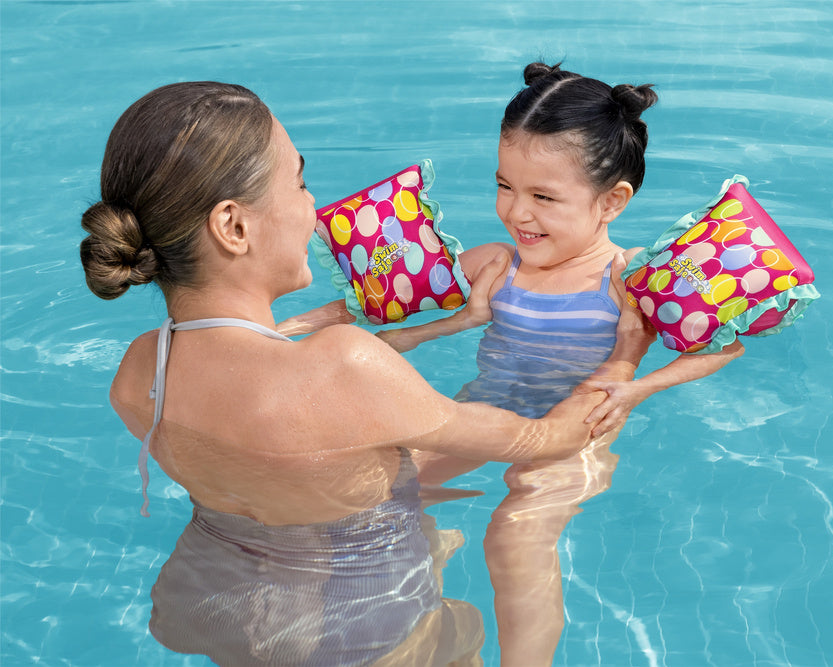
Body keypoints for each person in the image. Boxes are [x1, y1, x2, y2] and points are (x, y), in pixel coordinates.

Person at [78, 81, 630, 666]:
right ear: (233, 227)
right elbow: (547, 439)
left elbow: (298, 427)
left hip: (215, 608)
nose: (314, 212)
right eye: (299, 181)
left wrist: (446, 324)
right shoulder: (346, 366)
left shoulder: (140, 372)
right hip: (368, 636)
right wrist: (625, 352)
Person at [289, 63, 745, 666]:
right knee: (381, 495)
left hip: (573, 436)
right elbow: (367, 303)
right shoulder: (495, 263)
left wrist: (637, 386)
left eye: (543, 197)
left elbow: (722, 345)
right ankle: (423, 613)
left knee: (516, 534)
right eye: (505, 186)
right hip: (481, 413)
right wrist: (284, 330)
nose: (517, 213)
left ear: (611, 201)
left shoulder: (630, 279)